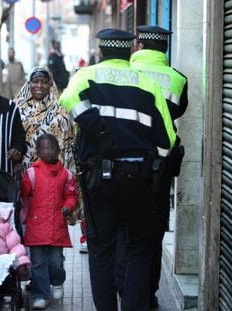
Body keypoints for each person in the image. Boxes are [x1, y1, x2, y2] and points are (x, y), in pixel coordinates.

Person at [59, 28, 176, 311]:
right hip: (139, 181)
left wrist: (98, 129)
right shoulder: (147, 84)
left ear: (101, 51)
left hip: (99, 178)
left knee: (101, 251)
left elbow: (68, 100)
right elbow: (167, 141)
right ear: (130, 51)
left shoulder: (85, 77)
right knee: (138, 248)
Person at [129, 25, 188, 309]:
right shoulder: (177, 79)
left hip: (124, 163)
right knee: (152, 235)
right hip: (159, 168)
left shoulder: (124, 71)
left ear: (138, 44)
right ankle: (149, 293)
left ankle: (125, 289)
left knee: (123, 231)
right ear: (164, 48)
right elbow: (178, 112)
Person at [20, 134, 78, 310]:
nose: (47, 151)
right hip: (36, 226)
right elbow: (23, 194)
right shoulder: (31, 173)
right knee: (38, 263)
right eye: (43, 148)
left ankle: (58, 280)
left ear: (58, 150)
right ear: (37, 152)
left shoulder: (66, 175)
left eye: (51, 148)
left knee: (55, 261)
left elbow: (71, 195)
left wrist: (69, 206)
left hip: (56, 226)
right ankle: (40, 294)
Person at [14, 67, 74, 172]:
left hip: (52, 174)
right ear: (29, 83)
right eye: (35, 81)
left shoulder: (60, 112)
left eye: (44, 82)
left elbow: (66, 146)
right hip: (23, 170)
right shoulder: (17, 108)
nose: (39, 86)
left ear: (50, 85)